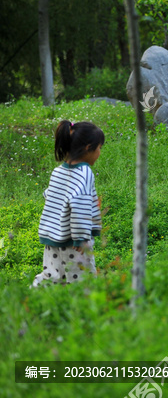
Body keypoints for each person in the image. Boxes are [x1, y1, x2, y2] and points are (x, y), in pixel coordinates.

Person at [33, 121, 104, 287]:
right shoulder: (85, 173)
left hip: (53, 239)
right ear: (88, 148)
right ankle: (82, 309)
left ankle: (35, 294)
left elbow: (50, 196)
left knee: (52, 275)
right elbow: (80, 207)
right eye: (99, 148)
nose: (99, 152)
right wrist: (81, 239)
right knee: (82, 280)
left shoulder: (58, 171)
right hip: (74, 243)